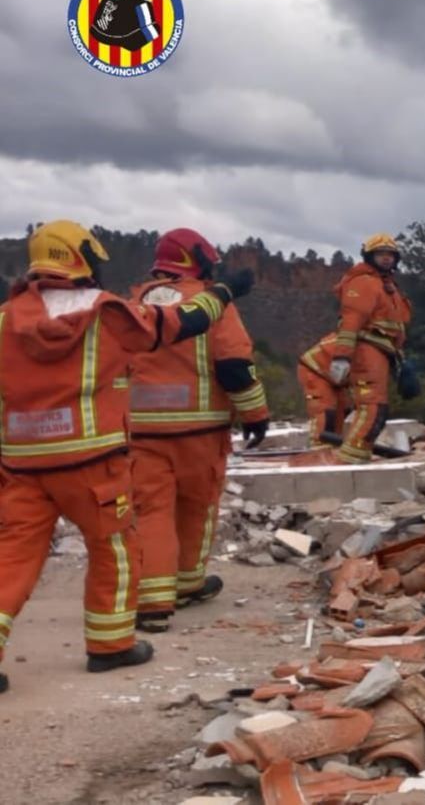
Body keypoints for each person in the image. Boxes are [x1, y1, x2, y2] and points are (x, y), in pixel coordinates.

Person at [0, 220, 252, 693]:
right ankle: (110, 646)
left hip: (23, 465)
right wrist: (221, 293)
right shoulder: (106, 311)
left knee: (10, 556)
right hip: (92, 462)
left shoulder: (5, 318)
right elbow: (176, 324)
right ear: (78, 257)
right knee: (113, 548)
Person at [128, 229, 272, 632]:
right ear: (199, 261)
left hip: (140, 433)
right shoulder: (212, 303)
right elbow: (233, 366)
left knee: (151, 512)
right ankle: (187, 583)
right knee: (197, 506)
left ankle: (152, 602)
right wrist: (256, 415)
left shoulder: (133, 303)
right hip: (200, 431)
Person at [298, 234, 416, 463]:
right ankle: (341, 462)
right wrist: (342, 357)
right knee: (363, 410)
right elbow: (352, 321)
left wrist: (402, 364)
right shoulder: (364, 282)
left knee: (350, 413)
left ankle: (339, 460)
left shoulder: (389, 288)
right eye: (381, 254)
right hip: (352, 353)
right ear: (369, 256)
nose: (386, 258)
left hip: (375, 350)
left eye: (390, 254)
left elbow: (394, 331)